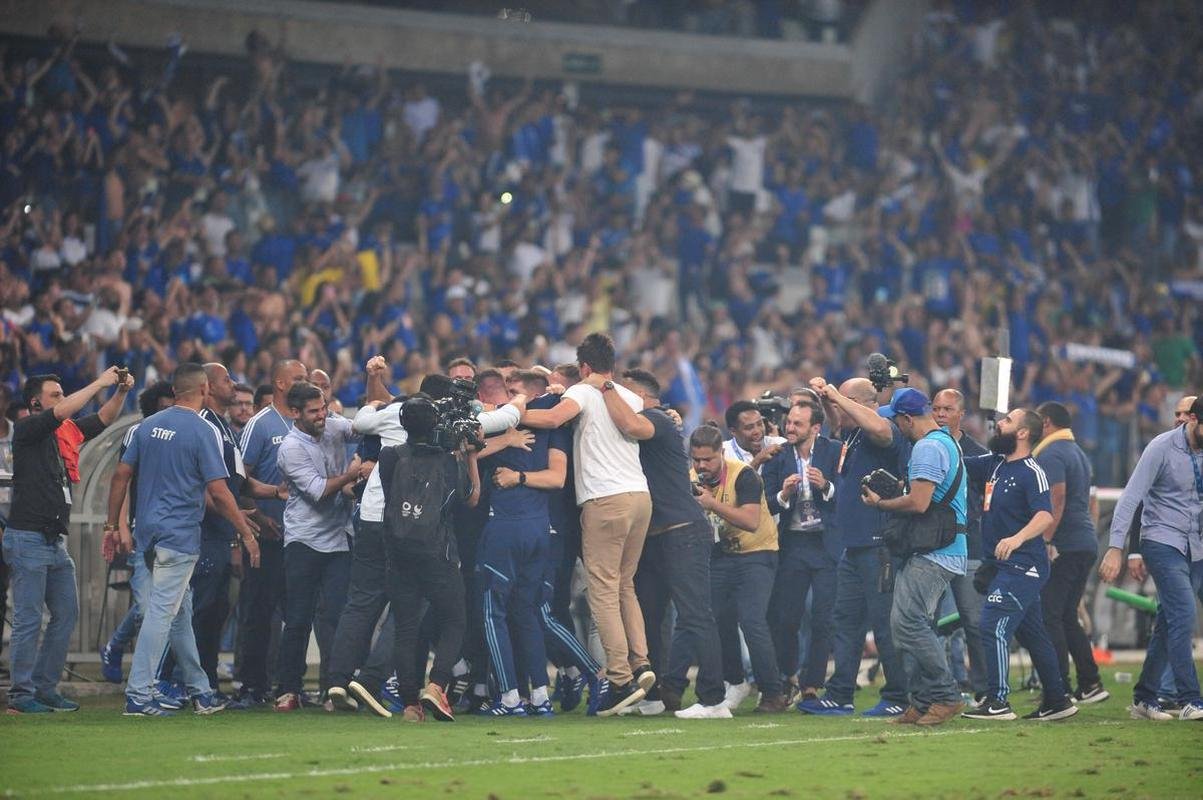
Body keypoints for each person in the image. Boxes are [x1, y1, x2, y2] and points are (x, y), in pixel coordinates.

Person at [104, 363, 261, 717]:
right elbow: (219, 491)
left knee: (179, 615)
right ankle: (139, 694)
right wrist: (246, 532)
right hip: (179, 536)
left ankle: (200, 691)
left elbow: (120, 476)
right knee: (162, 615)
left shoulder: (145, 427)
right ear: (204, 389)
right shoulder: (202, 430)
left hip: (147, 534)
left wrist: (110, 526)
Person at [522, 333, 656, 716]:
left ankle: (618, 679)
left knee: (602, 590)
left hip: (605, 500)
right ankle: (640, 662)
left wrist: (512, 413)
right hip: (639, 498)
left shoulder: (581, 392)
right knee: (625, 584)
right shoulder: (629, 397)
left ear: (584, 367)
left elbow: (551, 418)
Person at [586, 368, 729, 719]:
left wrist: (603, 384)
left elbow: (631, 426)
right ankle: (654, 697)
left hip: (682, 531)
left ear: (641, 396)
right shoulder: (648, 422)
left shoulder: (657, 420)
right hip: (652, 536)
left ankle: (713, 700)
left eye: (623, 391)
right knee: (650, 618)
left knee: (695, 614)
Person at [3, 367, 133, 714]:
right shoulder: (29, 429)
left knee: (66, 614)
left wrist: (119, 392)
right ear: (35, 402)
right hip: (28, 538)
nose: (62, 400)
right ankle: (20, 695)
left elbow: (102, 420)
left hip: (53, 542)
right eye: (55, 395)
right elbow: (63, 412)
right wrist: (99, 382)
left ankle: (45, 689)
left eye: (62, 394)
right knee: (29, 619)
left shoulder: (65, 433)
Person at [798, 377, 910, 718]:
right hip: (853, 545)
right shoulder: (852, 433)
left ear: (865, 403)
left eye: (846, 400)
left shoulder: (885, 429)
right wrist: (829, 400)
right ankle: (841, 693)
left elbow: (879, 428)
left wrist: (835, 394)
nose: (838, 406)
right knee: (845, 621)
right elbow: (839, 421)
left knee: (884, 623)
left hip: (879, 543)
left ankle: (898, 695)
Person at [960, 408, 1078, 722]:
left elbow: (1045, 515)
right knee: (1032, 634)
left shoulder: (1032, 470)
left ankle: (998, 701)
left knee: (991, 625)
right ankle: (1057, 699)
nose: (999, 424)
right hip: (1002, 565)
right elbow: (956, 461)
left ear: (1023, 433)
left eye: (1008, 421)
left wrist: (1016, 538)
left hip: (1024, 564)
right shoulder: (994, 464)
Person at [861, 388, 968, 726]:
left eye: (895, 419)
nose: (895, 426)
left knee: (907, 624)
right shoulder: (945, 442)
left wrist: (881, 503)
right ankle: (922, 702)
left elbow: (919, 503)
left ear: (907, 419)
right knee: (907, 625)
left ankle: (947, 695)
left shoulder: (927, 447)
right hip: (940, 548)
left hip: (936, 552)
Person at [1099, 396, 1203, 721]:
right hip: (1162, 540)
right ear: (1194, 421)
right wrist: (1117, 547)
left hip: (1196, 546)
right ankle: (1189, 699)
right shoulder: (1161, 448)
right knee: (1184, 612)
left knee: (1168, 621)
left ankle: (1145, 697)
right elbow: (1131, 497)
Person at [377, 395, 478, 722]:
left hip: (399, 553)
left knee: (406, 628)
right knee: (454, 619)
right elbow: (467, 497)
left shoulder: (389, 457)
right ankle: (437, 685)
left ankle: (410, 705)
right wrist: (468, 455)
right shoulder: (449, 462)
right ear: (435, 424)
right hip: (438, 552)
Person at [477, 370, 569, 717]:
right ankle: (542, 696)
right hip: (539, 530)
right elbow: (557, 477)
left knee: (492, 613)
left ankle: (510, 698)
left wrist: (503, 439)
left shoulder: (498, 421)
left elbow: (466, 450)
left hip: (505, 529)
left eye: (514, 390)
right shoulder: (555, 425)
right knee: (528, 613)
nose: (508, 396)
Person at [273, 381, 361, 712]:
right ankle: (289, 689)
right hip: (304, 540)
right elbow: (318, 490)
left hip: (338, 537)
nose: (322, 415)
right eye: (314, 411)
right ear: (294, 413)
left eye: (323, 407)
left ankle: (333, 688)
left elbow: (360, 429)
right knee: (297, 617)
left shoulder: (333, 424)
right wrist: (351, 473)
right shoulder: (290, 448)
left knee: (337, 617)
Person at [688, 423, 787, 714]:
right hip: (721, 555)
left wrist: (710, 504)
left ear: (721, 452)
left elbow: (750, 520)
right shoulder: (691, 477)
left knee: (752, 621)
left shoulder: (744, 475)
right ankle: (735, 681)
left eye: (708, 459)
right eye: (696, 459)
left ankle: (772, 692)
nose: (701, 465)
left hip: (757, 552)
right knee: (718, 620)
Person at [236, 359, 308, 704]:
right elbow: (238, 479)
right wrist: (258, 514)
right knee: (259, 613)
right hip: (268, 536)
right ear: (280, 384)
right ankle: (252, 684)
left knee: (296, 615)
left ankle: (288, 685)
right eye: (298, 378)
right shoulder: (260, 424)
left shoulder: (307, 422)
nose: (304, 382)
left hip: (301, 537)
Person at [99, 381, 177, 685]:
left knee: (163, 603)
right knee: (151, 606)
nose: (171, 409)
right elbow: (122, 480)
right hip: (142, 530)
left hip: (175, 532)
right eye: (165, 404)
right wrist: (119, 526)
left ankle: (123, 651)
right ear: (153, 406)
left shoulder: (188, 432)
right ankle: (147, 678)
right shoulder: (139, 432)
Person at [763, 401, 840, 705]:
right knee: (786, 618)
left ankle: (812, 684)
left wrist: (828, 487)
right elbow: (766, 502)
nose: (789, 428)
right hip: (793, 544)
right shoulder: (778, 456)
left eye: (797, 424)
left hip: (825, 544)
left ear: (815, 428)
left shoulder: (833, 451)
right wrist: (783, 494)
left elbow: (847, 493)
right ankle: (787, 677)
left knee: (823, 618)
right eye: (789, 422)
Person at [1033, 401, 1108, 704]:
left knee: (1050, 614)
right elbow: (1090, 501)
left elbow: (1057, 497)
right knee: (1066, 615)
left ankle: (1059, 686)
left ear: (1047, 423)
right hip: (1084, 541)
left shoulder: (1052, 453)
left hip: (1064, 543)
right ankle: (1090, 683)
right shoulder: (1078, 453)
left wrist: (1048, 540)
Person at [931, 388, 989, 701]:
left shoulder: (977, 453)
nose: (940, 414)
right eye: (936, 408)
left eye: (947, 409)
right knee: (928, 622)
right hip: (932, 546)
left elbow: (988, 504)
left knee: (974, 621)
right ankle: (937, 687)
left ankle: (983, 689)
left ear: (961, 414)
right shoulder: (924, 447)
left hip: (970, 546)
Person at [723, 400, 785, 474]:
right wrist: (757, 461)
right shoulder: (724, 453)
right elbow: (731, 485)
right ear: (733, 431)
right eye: (749, 428)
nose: (757, 431)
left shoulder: (778, 443)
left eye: (759, 424)